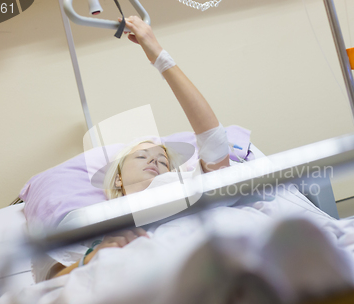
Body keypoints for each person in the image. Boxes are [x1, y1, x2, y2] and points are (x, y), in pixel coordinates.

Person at [50, 16, 231, 279]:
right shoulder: (90, 218)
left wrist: (158, 54)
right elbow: (49, 282)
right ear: (119, 177)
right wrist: (90, 258)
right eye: (142, 155)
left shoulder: (186, 187)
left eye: (163, 159)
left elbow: (213, 139)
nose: (155, 160)